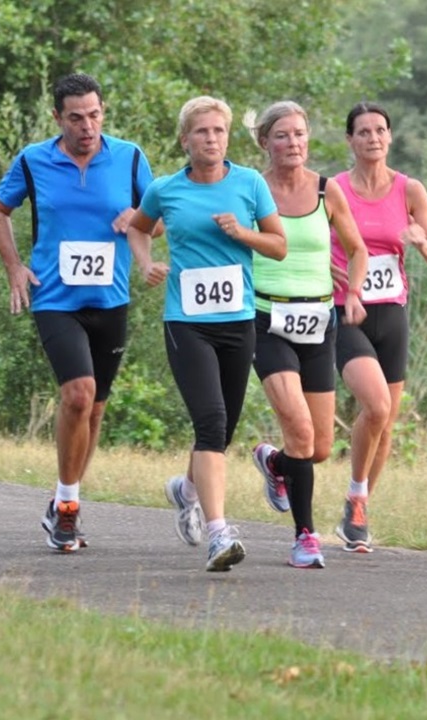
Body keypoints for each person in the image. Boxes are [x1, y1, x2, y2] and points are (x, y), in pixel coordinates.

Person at [0, 72, 155, 553]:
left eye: (95, 115)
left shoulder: (129, 158)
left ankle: (66, 498)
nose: (87, 126)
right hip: (56, 299)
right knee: (78, 395)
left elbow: (157, 218)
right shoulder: (33, 161)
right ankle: (66, 508)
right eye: (76, 117)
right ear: (57, 117)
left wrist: (137, 220)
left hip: (110, 301)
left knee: (95, 408)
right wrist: (14, 267)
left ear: (104, 112)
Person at [126, 96, 286, 572]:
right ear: (185, 140)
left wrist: (243, 234)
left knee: (222, 428)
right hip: (187, 322)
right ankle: (220, 534)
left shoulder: (250, 183)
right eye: (202, 132)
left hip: (237, 322)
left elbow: (278, 246)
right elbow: (139, 228)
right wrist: (146, 263)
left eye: (219, 130)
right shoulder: (165, 189)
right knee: (211, 422)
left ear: (228, 136)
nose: (211, 139)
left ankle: (188, 490)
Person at [247, 101, 368, 568]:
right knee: (298, 430)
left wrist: (353, 291)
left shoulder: (327, 191)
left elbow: (356, 250)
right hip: (266, 320)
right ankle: (305, 537)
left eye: (299, 134)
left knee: (316, 447)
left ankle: (275, 463)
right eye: (282, 136)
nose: (293, 143)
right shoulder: (252, 190)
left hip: (320, 322)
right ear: (265, 142)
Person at [329, 102, 427, 552]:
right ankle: (357, 497)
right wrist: (333, 271)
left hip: (391, 314)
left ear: (390, 137)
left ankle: (356, 510)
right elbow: (307, 245)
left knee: (386, 424)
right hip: (348, 311)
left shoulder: (409, 190)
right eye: (363, 132)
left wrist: (422, 242)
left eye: (380, 130)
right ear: (350, 140)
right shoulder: (335, 190)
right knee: (376, 407)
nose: (373, 138)